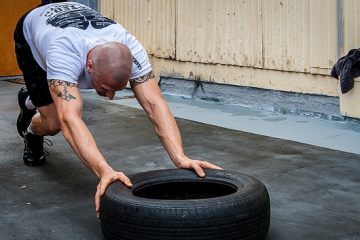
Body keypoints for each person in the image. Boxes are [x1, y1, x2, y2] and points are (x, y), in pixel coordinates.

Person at [14, 2, 222, 217]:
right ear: (90, 66)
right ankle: (31, 126)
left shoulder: (132, 48)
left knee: (58, 111)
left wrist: (180, 157)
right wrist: (104, 171)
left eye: (117, 90)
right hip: (32, 33)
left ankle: (33, 100)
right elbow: (70, 120)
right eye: (106, 88)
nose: (111, 97)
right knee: (54, 123)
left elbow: (154, 104)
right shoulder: (63, 53)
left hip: (72, 21)